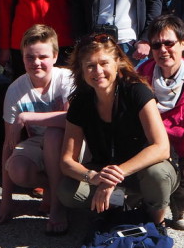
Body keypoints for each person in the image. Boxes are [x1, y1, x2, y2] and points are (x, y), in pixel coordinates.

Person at [58, 33, 174, 227]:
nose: (98, 71)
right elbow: (66, 161)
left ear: (118, 63)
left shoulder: (137, 92)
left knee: (158, 174)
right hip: (103, 172)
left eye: (104, 63)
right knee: (67, 191)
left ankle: (156, 222)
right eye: (90, 65)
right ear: (82, 70)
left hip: (142, 172)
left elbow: (161, 147)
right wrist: (93, 177)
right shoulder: (79, 102)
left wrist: (115, 175)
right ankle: (115, 210)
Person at [0, 25, 73, 234]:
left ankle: (57, 206)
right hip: (39, 143)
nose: (36, 63)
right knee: (16, 167)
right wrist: (5, 202)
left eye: (42, 57)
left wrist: (27, 117)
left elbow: (72, 121)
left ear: (55, 56)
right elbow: (8, 144)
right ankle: (54, 187)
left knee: (54, 134)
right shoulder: (16, 89)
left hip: (71, 142)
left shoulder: (67, 79)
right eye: (29, 57)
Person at [136, 15, 184, 230]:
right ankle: (149, 206)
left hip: (181, 153)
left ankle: (181, 206)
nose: (163, 50)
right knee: (156, 174)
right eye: (156, 44)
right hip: (150, 150)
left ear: (182, 43)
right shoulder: (139, 79)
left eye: (169, 43)